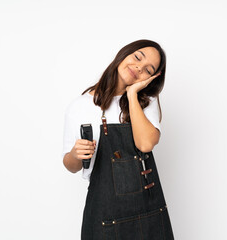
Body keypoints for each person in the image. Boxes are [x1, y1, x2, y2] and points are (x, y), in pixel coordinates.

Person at [62, 39, 174, 239]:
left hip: (147, 213)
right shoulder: (80, 106)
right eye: (138, 57)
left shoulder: (146, 102)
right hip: (104, 214)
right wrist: (75, 154)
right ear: (124, 54)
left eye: (148, 70)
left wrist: (131, 95)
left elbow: (146, 143)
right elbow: (71, 165)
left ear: (151, 78)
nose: (139, 67)